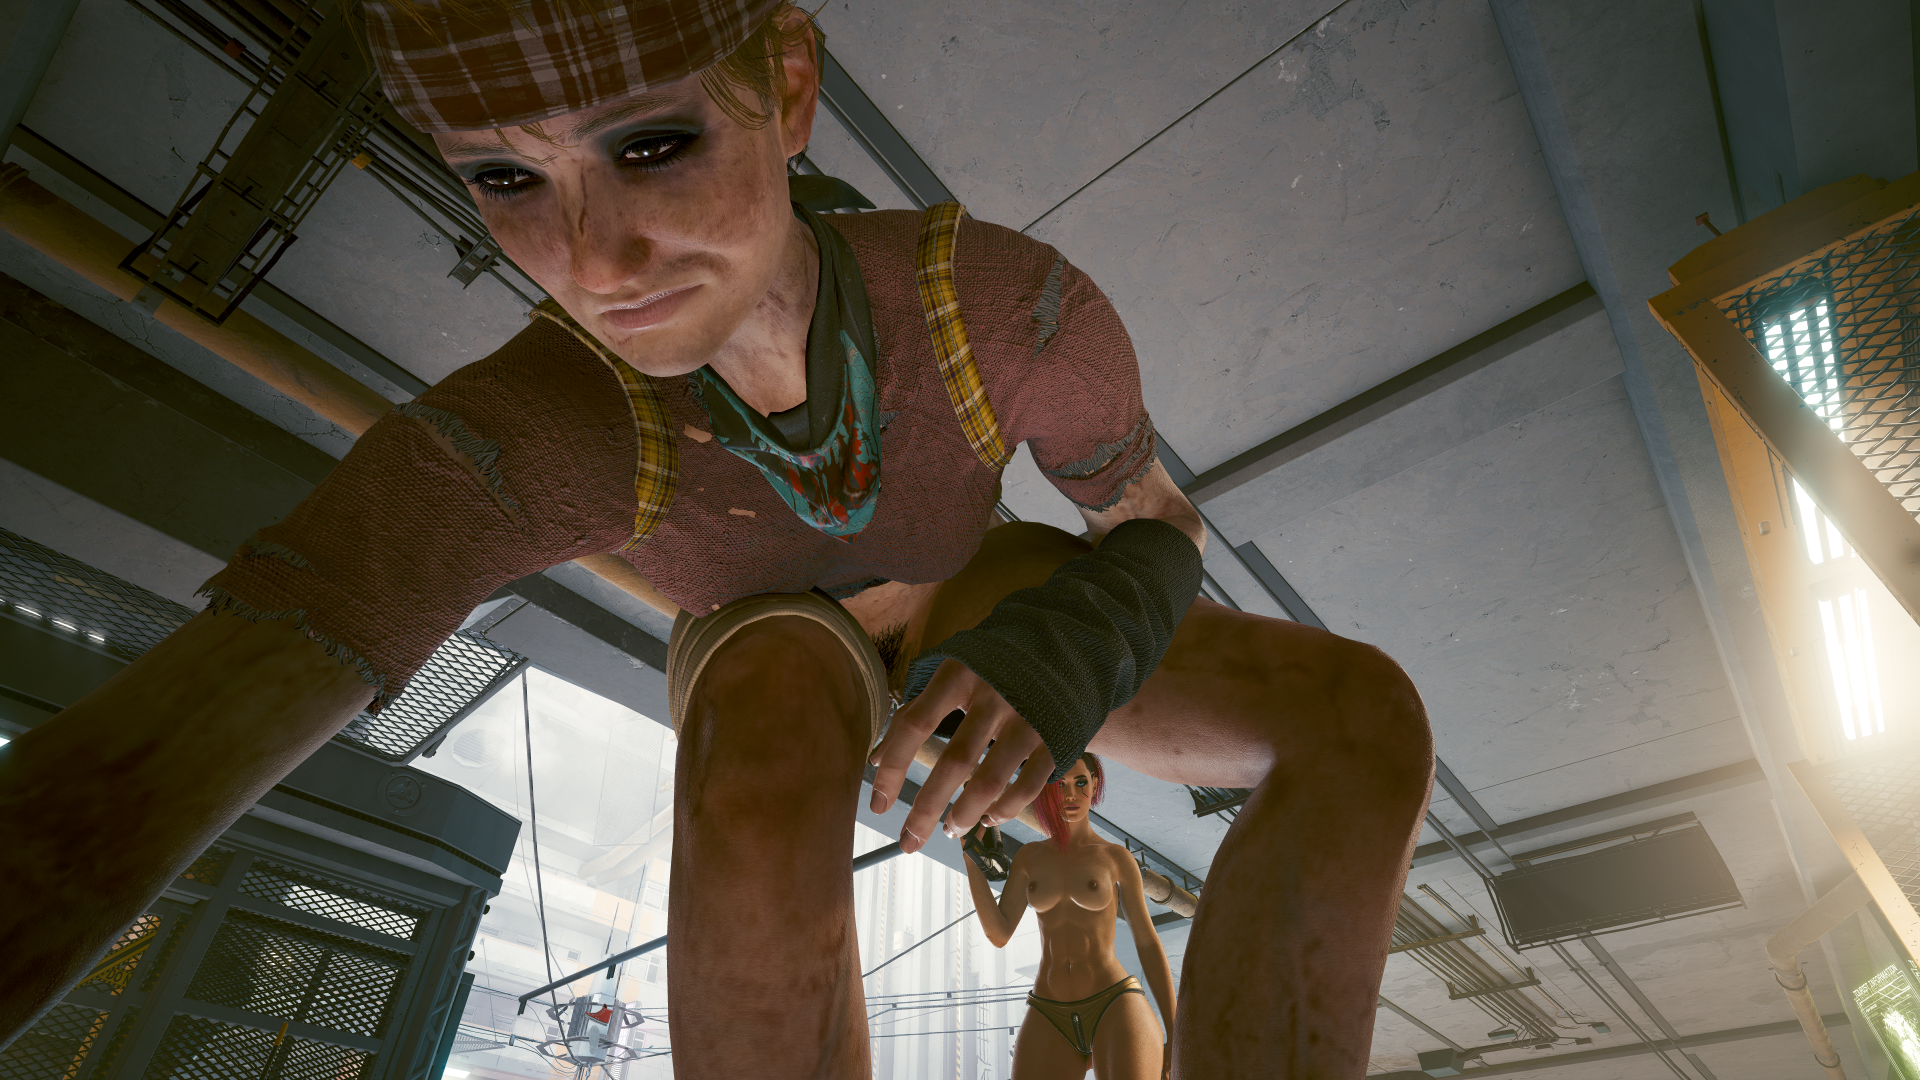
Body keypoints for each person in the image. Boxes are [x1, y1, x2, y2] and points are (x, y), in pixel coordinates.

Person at [0, 1, 1434, 1076]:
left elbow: (1159, 525)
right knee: (757, 767)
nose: (593, 260)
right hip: (772, 635)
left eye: (652, 145)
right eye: (505, 179)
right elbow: (130, 783)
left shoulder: (1002, 314)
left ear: (789, 86)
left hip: (978, 586)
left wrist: (1073, 648)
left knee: (1362, 717)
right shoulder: (533, 433)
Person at [964, 754, 1176, 1080]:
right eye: (1059, 785)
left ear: (1095, 783)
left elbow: (1147, 942)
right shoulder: (1029, 857)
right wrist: (969, 855)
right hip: (1048, 1010)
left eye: (1080, 783)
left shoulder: (1115, 858)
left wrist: (1175, 1029)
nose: (1071, 795)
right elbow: (999, 933)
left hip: (1114, 1001)